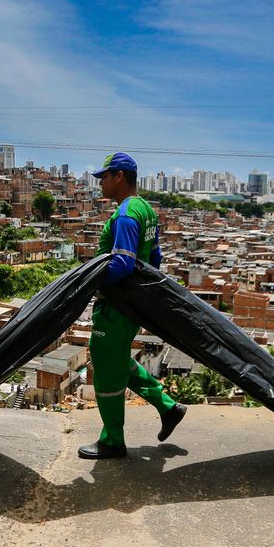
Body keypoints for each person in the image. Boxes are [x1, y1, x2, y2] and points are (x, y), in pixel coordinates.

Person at [79, 152, 186, 459]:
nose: (101, 184)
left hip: (116, 306)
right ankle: (168, 407)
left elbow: (124, 262)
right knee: (118, 358)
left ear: (119, 177)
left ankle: (112, 440)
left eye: (105, 177)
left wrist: (94, 283)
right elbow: (154, 260)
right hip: (132, 305)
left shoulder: (126, 214)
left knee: (105, 369)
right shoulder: (146, 210)